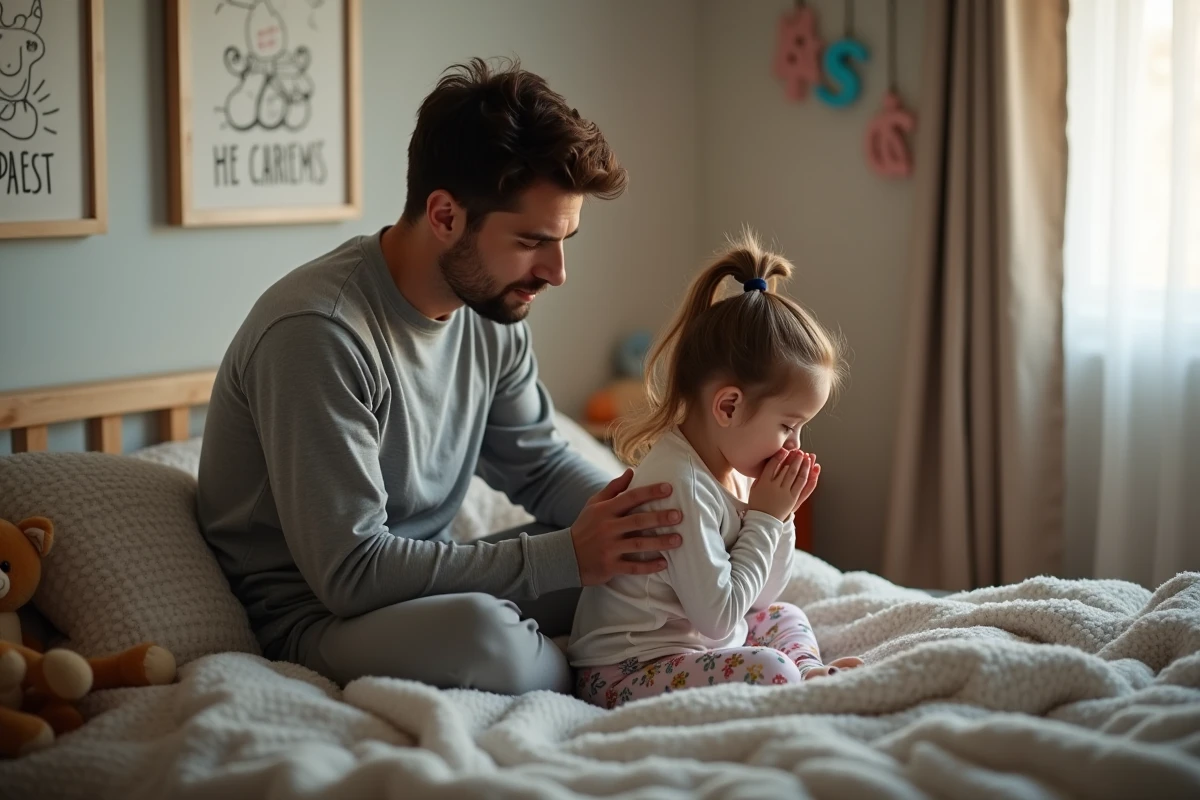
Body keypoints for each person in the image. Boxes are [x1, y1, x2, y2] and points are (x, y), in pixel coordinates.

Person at [195, 57, 684, 696]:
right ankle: (602, 671)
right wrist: (565, 557)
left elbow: (537, 463)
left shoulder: (491, 312)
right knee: (490, 641)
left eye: (565, 240)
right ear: (446, 215)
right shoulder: (318, 332)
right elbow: (351, 571)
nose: (557, 271)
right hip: (322, 615)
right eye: (534, 240)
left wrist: (649, 515)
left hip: (426, 582)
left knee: (642, 564)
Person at [567, 232, 864, 709]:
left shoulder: (729, 463)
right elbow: (723, 620)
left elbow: (762, 595)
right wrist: (764, 520)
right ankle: (797, 683)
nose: (795, 444)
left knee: (784, 614)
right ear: (728, 406)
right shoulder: (679, 485)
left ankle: (808, 674)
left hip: (697, 645)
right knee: (771, 669)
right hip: (625, 671)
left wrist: (780, 517)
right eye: (789, 426)